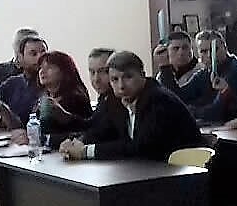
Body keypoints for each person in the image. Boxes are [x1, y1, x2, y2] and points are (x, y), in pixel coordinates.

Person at [59, 51, 202, 161]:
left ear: (143, 75)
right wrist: (76, 143)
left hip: (185, 172)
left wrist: (85, 152)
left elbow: (141, 147)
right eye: (114, 79)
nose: (121, 85)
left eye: (128, 77)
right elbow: (102, 131)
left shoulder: (158, 99)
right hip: (151, 171)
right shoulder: (121, 100)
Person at [0, 51, 93, 146]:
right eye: (40, 68)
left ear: (64, 71)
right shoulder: (43, 97)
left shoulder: (76, 99)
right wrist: (5, 112)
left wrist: (39, 139)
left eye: (49, 67)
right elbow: (30, 128)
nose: (42, 71)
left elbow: (83, 135)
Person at [191, 30, 237, 124]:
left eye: (214, 50)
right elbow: (183, 93)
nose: (209, 55)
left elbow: (216, 112)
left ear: (225, 48)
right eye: (203, 51)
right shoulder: (208, 71)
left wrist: (191, 111)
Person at [0, 35, 48, 129]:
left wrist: (6, 113)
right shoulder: (13, 82)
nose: (40, 57)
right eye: (33, 54)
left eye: (43, 53)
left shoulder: (52, 84)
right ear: (20, 57)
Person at [154, 31, 212, 109]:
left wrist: (165, 68)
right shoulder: (162, 75)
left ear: (191, 50)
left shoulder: (201, 72)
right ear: (167, 52)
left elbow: (175, 100)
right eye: (176, 48)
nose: (181, 53)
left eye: (185, 48)